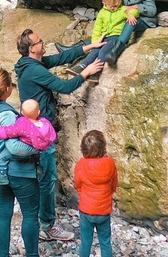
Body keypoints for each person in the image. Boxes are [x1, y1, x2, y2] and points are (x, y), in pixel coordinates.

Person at [14, 29, 105, 241]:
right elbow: (64, 87)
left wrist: (88, 46)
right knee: (47, 179)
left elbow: (60, 57)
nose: (43, 42)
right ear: (32, 48)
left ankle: (39, 218)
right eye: (39, 41)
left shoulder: (30, 64)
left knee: (42, 176)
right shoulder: (34, 71)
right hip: (41, 133)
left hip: (34, 128)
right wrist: (86, 72)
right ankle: (47, 226)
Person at [0, 70, 50, 257]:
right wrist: (38, 148)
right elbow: (15, 147)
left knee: (3, 213)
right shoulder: (7, 115)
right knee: (29, 214)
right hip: (17, 170)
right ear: (8, 89)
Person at [66, 0, 139, 78]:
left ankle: (96, 73)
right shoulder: (102, 13)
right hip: (103, 37)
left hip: (115, 37)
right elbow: (97, 28)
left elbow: (134, 10)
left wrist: (131, 14)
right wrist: (95, 42)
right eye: (110, 5)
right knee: (95, 51)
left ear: (120, 3)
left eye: (115, 5)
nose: (113, 8)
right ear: (104, 2)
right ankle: (82, 66)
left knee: (103, 51)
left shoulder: (122, 10)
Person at [73, 130, 118, 257]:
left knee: (86, 241)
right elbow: (114, 184)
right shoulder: (110, 163)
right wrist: (107, 195)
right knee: (105, 240)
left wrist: (83, 195)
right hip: (104, 210)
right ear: (103, 147)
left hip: (86, 209)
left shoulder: (81, 164)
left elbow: (78, 184)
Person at [0, 99, 57, 186]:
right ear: (38, 112)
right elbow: (53, 135)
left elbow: (10, 131)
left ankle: (2, 176)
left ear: (22, 112)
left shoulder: (23, 123)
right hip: (40, 148)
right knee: (37, 156)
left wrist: (0, 130)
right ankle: (38, 169)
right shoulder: (45, 123)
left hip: (26, 147)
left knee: (2, 157)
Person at [105, 0, 157, 66]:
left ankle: (116, 50)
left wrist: (136, 6)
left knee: (131, 22)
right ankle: (79, 47)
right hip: (126, 16)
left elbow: (152, 10)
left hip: (143, 20)